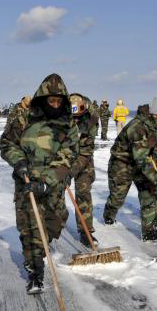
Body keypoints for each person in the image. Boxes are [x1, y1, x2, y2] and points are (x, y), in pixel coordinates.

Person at [0, 74, 78, 294]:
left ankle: (40, 250)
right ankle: (35, 271)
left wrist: (48, 180)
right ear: (42, 99)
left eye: (58, 101)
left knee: (56, 221)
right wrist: (20, 162)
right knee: (31, 228)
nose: (54, 105)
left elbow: (68, 154)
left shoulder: (67, 124)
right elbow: (7, 144)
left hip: (53, 183)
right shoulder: (24, 119)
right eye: (50, 101)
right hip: (26, 182)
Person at [102, 97, 157, 241]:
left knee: (149, 193)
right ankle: (109, 215)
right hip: (122, 163)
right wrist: (154, 176)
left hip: (139, 162)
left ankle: (149, 231)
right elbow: (140, 158)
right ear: (152, 114)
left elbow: (148, 151)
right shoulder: (138, 127)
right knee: (117, 197)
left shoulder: (154, 125)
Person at [69, 94, 99, 245]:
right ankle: (48, 231)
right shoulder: (58, 116)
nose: (75, 120)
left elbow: (86, 151)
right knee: (53, 193)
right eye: (72, 117)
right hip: (62, 155)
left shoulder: (91, 119)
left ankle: (85, 231)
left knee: (83, 192)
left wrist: (71, 172)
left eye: (78, 117)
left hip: (83, 157)